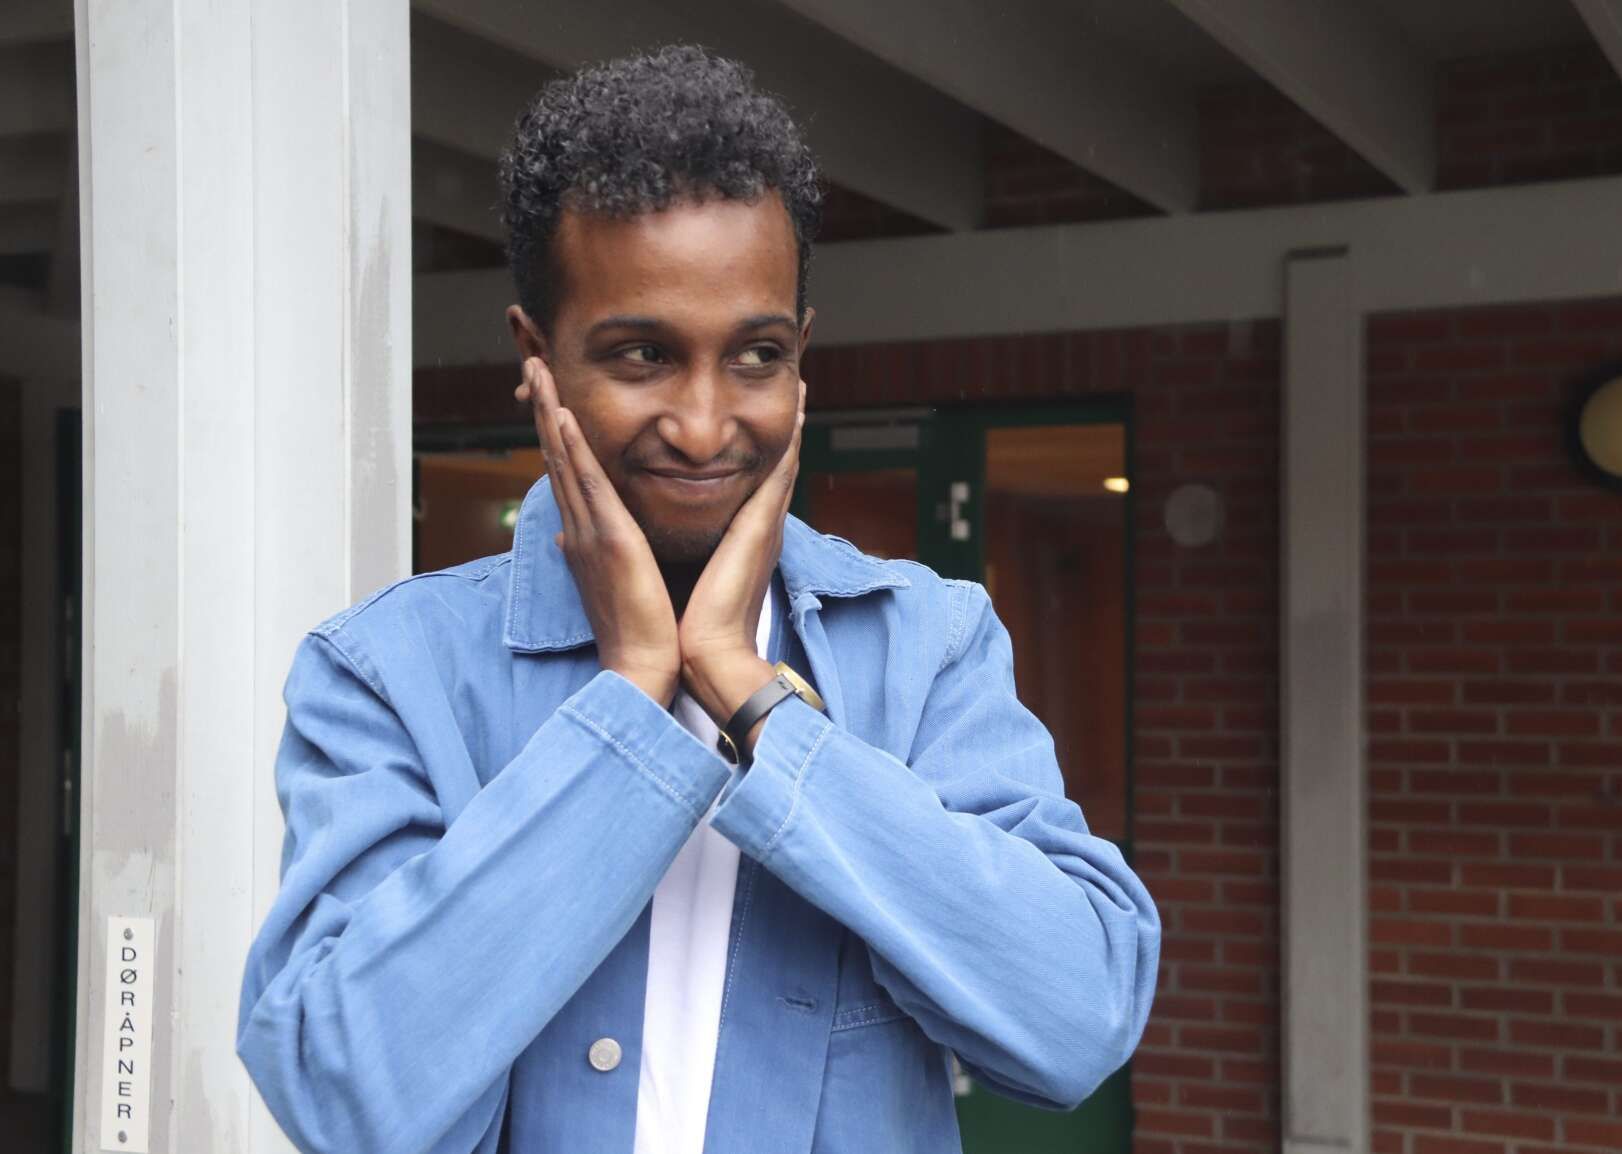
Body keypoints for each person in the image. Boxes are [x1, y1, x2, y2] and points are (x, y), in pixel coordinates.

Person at [236, 44, 1160, 1154]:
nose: (705, 424)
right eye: (642, 354)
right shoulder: (388, 672)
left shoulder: (926, 644)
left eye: (756, 355)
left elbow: (1075, 1020)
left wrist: (749, 691)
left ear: (801, 357)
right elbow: (344, 1094)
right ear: (536, 359)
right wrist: (632, 696)